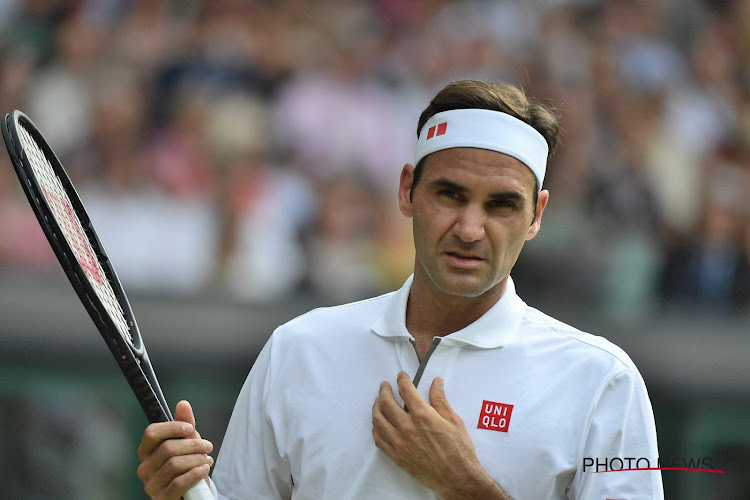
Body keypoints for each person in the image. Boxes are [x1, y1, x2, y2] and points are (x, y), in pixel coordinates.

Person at [136, 80, 664, 499]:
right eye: (450, 194)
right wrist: (178, 495)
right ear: (407, 189)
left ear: (536, 215)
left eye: (501, 205)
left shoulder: (603, 382)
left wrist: (466, 488)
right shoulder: (298, 349)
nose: (470, 228)